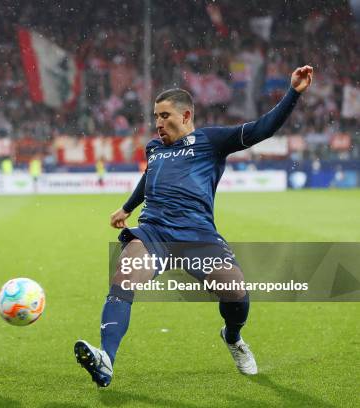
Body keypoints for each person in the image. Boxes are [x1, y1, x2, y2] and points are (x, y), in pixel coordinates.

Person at [75, 66, 313, 387]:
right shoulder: (155, 148)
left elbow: (262, 129)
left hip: (198, 236)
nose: (157, 123)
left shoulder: (212, 140)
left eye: (164, 115)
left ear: (186, 115)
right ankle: (106, 360)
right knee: (124, 276)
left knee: (236, 294)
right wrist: (128, 207)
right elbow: (150, 177)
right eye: (155, 116)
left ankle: (232, 337)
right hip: (154, 233)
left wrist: (293, 93)